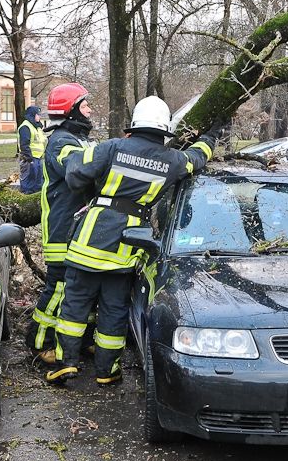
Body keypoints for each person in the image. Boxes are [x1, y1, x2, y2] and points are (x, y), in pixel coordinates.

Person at [45, 96, 220, 385]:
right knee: (114, 310)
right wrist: (213, 133)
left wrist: (92, 189)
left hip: (90, 240)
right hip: (128, 245)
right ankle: (107, 371)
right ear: (164, 130)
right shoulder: (173, 160)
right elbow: (197, 157)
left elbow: (75, 171)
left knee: (74, 306)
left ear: (134, 125)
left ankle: (66, 363)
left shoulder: (112, 147)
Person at [27, 84, 93, 365]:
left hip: (78, 229)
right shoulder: (61, 142)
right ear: (71, 110)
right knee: (59, 288)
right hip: (62, 230)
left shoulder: (77, 139)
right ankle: (40, 342)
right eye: (85, 105)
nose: (89, 110)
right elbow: (79, 169)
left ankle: (81, 340)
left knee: (82, 288)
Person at [18, 106, 46, 194]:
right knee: (28, 184)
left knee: (38, 183)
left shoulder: (37, 127)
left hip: (38, 158)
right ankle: (26, 198)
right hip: (29, 159)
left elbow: (42, 141)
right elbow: (24, 145)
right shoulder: (25, 127)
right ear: (32, 115)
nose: (39, 116)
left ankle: (36, 198)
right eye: (38, 114)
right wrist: (29, 159)